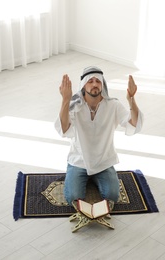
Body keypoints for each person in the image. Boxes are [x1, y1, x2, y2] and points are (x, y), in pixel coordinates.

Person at [54, 66, 143, 213]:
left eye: (98, 81)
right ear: (83, 85)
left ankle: (96, 178)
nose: (94, 84)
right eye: (90, 81)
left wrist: (131, 99)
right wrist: (65, 100)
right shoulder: (75, 104)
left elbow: (133, 124)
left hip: (104, 161)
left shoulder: (113, 105)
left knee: (112, 195)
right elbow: (64, 129)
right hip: (79, 161)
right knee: (73, 196)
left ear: (102, 84)